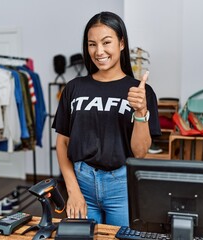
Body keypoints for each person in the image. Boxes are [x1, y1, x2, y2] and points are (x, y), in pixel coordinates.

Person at [52, 11, 161, 226]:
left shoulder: (141, 92)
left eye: (106, 42)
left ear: (121, 43)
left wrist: (140, 113)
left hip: (121, 187)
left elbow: (140, 153)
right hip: (81, 182)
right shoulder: (74, 88)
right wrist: (72, 190)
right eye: (92, 44)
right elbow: (62, 142)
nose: (99, 51)